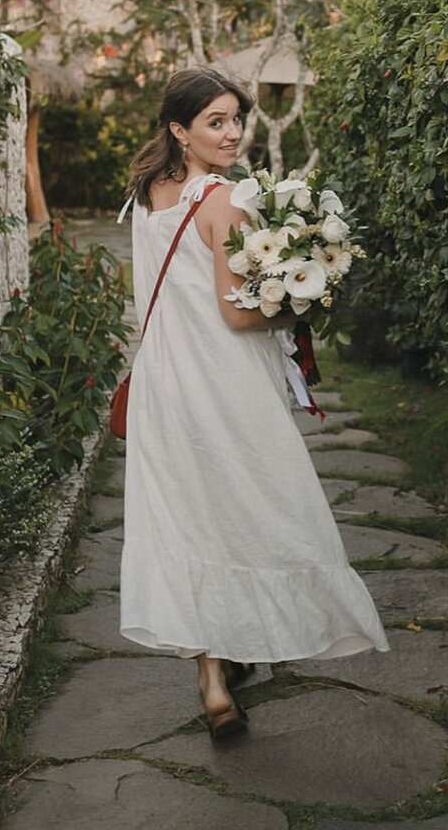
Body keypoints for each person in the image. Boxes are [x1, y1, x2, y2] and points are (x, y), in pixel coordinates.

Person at [119, 67, 388, 739]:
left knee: (185, 522)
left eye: (235, 118)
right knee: (252, 511)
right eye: (215, 122)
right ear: (180, 130)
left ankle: (215, 681)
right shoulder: (223, 201)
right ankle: (241, 645)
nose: (232, 132)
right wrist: (302, 303)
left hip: (162, 384)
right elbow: (238, 317)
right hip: (223, 385)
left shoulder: (146, 194)